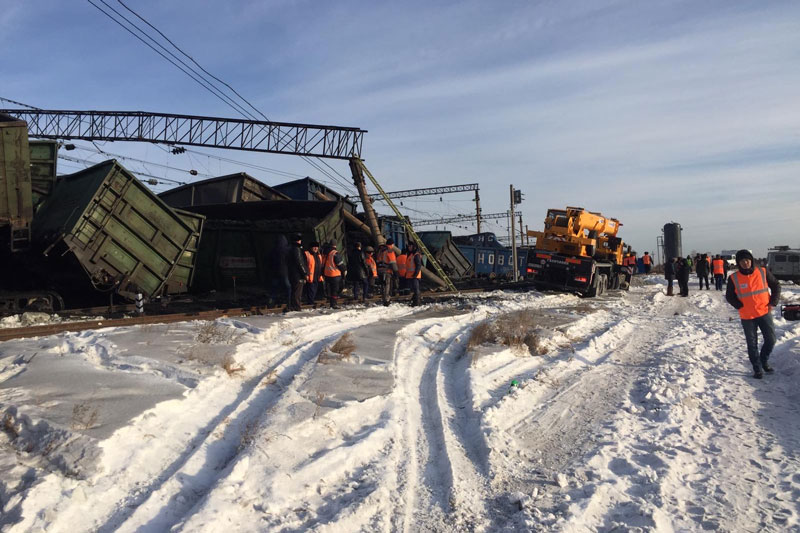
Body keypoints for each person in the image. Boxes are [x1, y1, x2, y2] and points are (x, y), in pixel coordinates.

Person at [726, 249, 780, 379]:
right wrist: (739, 306)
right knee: (752, 344)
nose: (745, 263)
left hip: (764, 312)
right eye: (742, 261)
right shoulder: (734, 278)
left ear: (751, 260)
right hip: (747, 316)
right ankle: (757, 369)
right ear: (738, 263)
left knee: (771, 340)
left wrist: (773, 302)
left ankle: (763, 360)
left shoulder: (762, 271)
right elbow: (729, 296)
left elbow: (776, 285)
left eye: (747, 260)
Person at [284, 233, 308, 312]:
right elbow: (300, 262)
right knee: (298, 292)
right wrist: (304, 273)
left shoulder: (288, 248)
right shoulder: (297, 249)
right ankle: (297, 308)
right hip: (297, 274)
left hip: (291, 273)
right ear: (298, 240)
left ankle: (292, 306)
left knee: (294, 291)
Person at [323, 240, 346, 309]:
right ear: (335, 245)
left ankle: (331, 302)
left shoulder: (325, 252)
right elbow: (340, 264)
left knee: (330, 289)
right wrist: (344, 270)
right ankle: (334, 304)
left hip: (327, 274)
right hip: (335, 274)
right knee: (335, 290)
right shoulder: (335, 253)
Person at [376, 238, 397, 306]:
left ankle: (384, 298)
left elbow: (377, 260)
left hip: (380, 270)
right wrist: (396, 272)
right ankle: (386, 300)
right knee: (387, 285)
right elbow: (392, 262)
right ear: (392, 244)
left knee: (383, 285)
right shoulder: (390, 251)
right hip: (387, 270)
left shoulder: (381, 250)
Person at [304, 241, 324, 306]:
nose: (316, 248)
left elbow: (320, 265)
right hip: (310, 275)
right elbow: (305, 265)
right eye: (314, 247)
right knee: (311, 289)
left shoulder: (318, 255)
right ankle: (310, 301)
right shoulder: (307, 254)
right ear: (311, 247)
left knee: (314, 288)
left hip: (317, 275)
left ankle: (311, 300)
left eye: (317, 247)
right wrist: (306, 274)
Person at [406, 241, 423, 306]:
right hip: (411, 276)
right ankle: (415, 302)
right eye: (408, 246)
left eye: (410, 246)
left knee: (416, 290)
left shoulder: (416, 255)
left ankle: (417, 303)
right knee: (414, 290)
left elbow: (418, 265)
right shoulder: (410, 255)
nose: (409, 247)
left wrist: (415, 274)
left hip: (415, 276)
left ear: (413, 247)